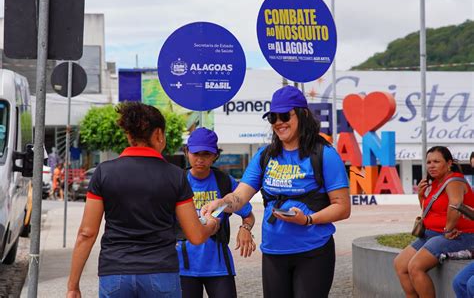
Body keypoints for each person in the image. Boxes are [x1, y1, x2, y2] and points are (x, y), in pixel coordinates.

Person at [202, 85, 351, 298]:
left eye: (284, 116)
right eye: (273, 117)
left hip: (313, 251)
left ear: (303, 115)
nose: (279, 122)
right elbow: (240, 195)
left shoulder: (325, 154)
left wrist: (308, 220)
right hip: (273, 252)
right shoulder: (265, 155)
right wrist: (221, 204)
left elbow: (342, 207)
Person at [67, 102, 220, 298]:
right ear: (158, 134)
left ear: (129, 135)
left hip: (115, 273)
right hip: (161, 273)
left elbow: (86, 233)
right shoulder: (175, 176)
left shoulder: (104, 173)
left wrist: (73, 285)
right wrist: (212, 224)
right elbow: (196, 236)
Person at [178, 127, 256, 298]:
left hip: (218, 266)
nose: (200, 159)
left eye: (206, 154)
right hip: (183, 266)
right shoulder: (178, 181)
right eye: (195, 153)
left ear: (215, 156)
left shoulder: (224, 182)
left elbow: (248, 215)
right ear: (186, 152)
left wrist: (246, 228)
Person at [394, 146, 474, 298]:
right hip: (431, 233)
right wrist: (421, 197)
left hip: (460, 235)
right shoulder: (437, 183)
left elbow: (456, 205)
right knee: (400, 264)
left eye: (436, 161)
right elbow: (430, 213)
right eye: (429, 162)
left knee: (415, 267)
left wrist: (448, 229)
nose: (431, 165)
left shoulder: (454, 181)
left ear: (449, 163)